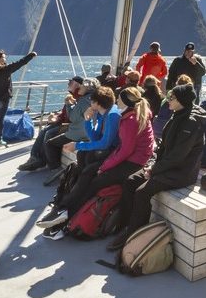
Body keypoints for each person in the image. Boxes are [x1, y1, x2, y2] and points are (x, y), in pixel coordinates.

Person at [38, 87, 155, 239]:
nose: (116, 101)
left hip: (133, 162)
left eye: (119, 99)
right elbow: (104, 142)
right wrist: (88, 121)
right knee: (86, 168)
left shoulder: (129, 120)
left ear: (126, 102)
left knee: (93, 180)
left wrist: (104, 167)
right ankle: (64, 210)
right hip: (129, 158)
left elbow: (122, 150)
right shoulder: (129, 116)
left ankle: (66, 212)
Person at [108, 83, 206, 251]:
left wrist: (154, 170)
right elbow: (163, 149)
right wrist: (153, 165)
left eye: (171, 97)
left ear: (181, 100)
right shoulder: (177, 115)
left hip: (181, 172)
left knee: (141, 193)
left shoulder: (190, 123)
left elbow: (177, 157)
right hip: (165, 166)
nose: (167, 100)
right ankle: (124, 223)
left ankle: (134, 233)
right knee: (131, 181)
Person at [18, 76, 84, 172]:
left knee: (49, 133)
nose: (68, 83)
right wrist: (56, 118)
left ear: (77, 85)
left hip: (70, 126)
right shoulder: (71, 96)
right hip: (64, 123)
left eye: (71, 82)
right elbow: (64, 114)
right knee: (44, 130)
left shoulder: (78, 99)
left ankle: (43, 161)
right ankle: (34, 158)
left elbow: (73, 117)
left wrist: (68, 105)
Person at [0, 49, 37, 148]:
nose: (5, 58)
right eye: (3, 57)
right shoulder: (6, 69)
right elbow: (20, 63)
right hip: (2, 99)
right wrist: (31, 55)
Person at [41, 79, 95, 169]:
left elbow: (72, 118)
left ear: (87, 88)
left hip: (79, 134)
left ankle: (54, 167)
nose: (80, 87)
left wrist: (68, 104)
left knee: (50, 143)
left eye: (82, 86)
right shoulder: (93, 99)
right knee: (48, 132)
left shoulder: (83, 101)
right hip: (88, 133)